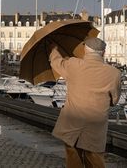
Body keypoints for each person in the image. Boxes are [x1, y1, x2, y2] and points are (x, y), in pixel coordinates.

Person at [49, 37, 121, 168]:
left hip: (73, 120)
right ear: (103, 53)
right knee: (94, 156)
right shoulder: (114, 73)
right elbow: (115, 100)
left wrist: (54, 49)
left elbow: (56, 62)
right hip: (95, 122)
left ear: (85, 51)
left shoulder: (73, 65)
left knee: (73, 155)